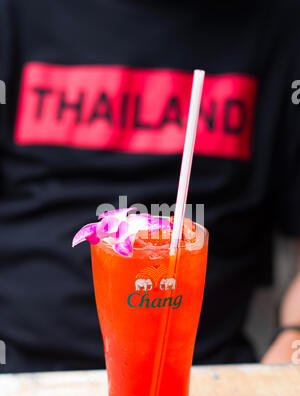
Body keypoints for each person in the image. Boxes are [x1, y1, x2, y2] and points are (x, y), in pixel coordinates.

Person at [0, 0, 300, 373]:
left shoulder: (281, 24)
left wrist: (293, 339)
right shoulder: (17, 12)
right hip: (19, 364)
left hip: (201, 372)